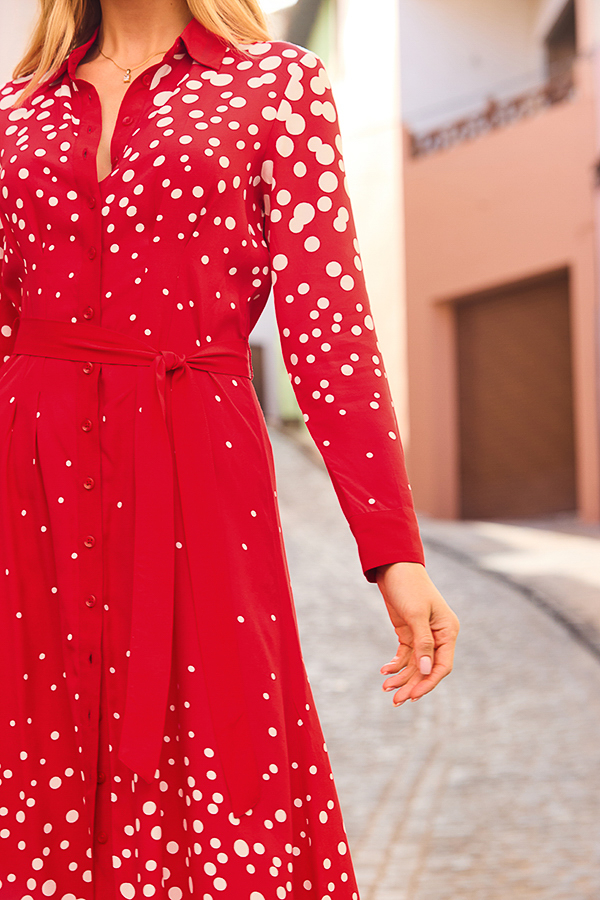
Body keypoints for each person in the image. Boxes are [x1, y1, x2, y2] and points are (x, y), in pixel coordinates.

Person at [0, 0, 460, 896]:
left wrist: (393, 550)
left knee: (218, 730)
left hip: (197, 468)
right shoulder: (16, 109)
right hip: (30, 484)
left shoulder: (276, 82)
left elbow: (328, 326)